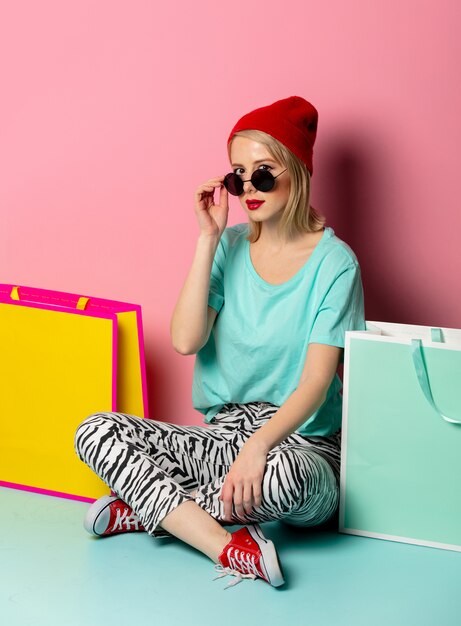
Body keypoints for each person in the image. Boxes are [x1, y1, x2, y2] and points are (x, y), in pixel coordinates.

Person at [74, 95, 366, 590]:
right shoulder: (229, 245)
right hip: (223, 437)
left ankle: (152, 510)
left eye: (264, 173)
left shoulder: (336, 264)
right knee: (94, 431)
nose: (249, 187)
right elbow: (186, 340)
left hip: (299, 448)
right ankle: (227, 546)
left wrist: (258, 447)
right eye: (238, 175)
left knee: (283, 480)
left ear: (297, 171)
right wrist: (206, 238)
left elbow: (317, 383)